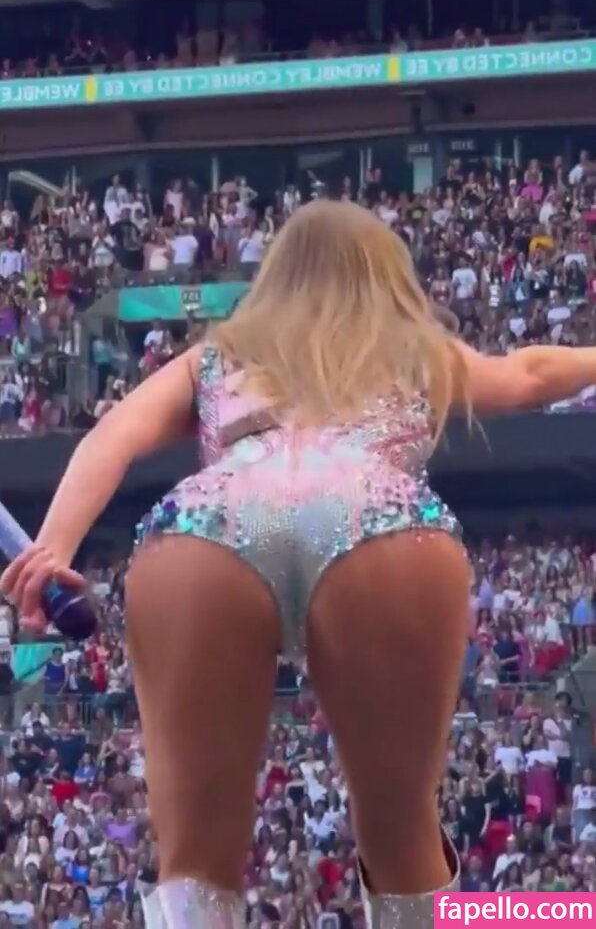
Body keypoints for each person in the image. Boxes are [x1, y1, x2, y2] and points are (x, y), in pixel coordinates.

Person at [4, 199, 596, 928]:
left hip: (212, 523)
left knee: (194, 870)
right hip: (376, 518)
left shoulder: (220, 355)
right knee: (403, 835)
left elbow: (113, 434)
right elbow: (531, 372)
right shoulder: (412, 349)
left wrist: (53, 548)